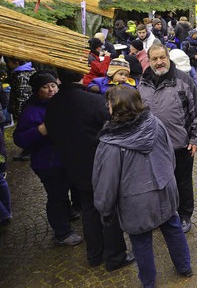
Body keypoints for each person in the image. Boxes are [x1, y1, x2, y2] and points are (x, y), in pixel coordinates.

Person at [93, 86, 192, 287]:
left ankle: (148, 282)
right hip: (164, 187)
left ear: (114, 108)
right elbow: (169, 156)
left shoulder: (111, 142)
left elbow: (106, 180)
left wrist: (104, 208)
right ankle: (185, 267)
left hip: (135, 200)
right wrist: (166, 178)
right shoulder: (155, 123)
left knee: (141, 241)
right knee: (172, 227)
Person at [45, 68, 133, 271]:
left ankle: (94, 255)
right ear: (81, 75)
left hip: (73, 166)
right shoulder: (93, 101)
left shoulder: (53, 104)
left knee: (89, 210)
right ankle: (115, 256)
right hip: (99, 164)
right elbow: (113, 128)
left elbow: (52, 131)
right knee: (108, 210)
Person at [138, 44, 197, 233]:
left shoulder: (183, 81)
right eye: (155, 59)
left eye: (163, 57)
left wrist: (195, 140)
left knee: (182, 183)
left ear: (168, 57)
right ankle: (163, 214)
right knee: (157, 183)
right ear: (149, 61)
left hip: (180, 145)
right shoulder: (142, 83)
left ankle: (184, 215)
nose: (159, 62)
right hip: (153, 147)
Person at [13, 71, 83, 245]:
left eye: (53, 85)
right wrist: (39, 131)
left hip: (65, 158)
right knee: (56, 196)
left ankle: (68, 212)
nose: (51, 90)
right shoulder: (31, 112)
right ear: (38, 91)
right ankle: (62, 233)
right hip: (47, 162)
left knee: (64, 188)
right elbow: (20, 139)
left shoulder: (61, 103)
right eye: (46, 87)